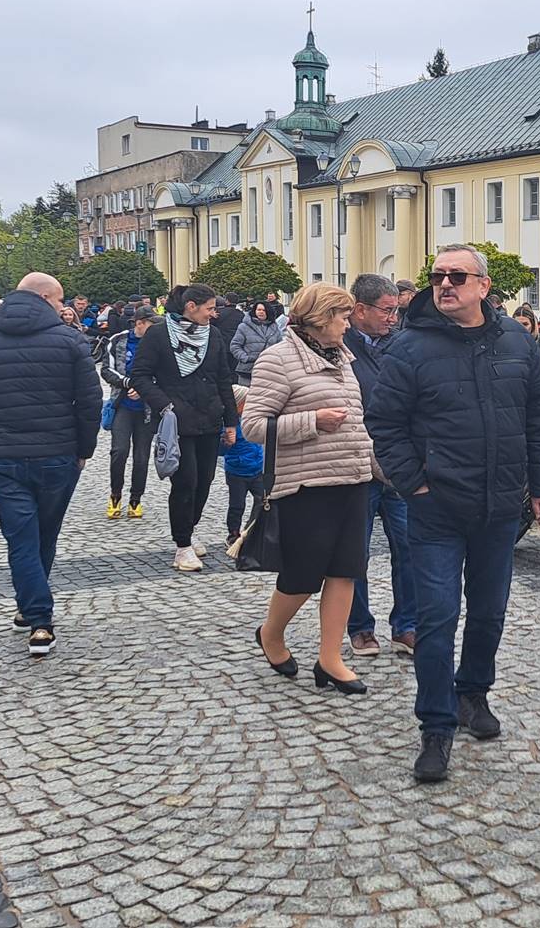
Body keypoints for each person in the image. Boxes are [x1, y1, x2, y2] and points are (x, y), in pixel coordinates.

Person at [366, 244, 540, 783]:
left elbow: (538, 418)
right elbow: (384, 423)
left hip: (500, 506)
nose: (445, 284)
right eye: (437, 276)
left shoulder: (517, 340)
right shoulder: (410, 347)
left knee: (490, 611)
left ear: (483, 286)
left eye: (457, 276)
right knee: (437, 617)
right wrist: (415, 483)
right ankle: (436, 724)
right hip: (437, 510)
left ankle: (473, 693)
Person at [0, 272, 102, 656]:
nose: (62, 306)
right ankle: (40, 620)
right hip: (57, 454)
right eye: (59, 300)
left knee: (21, 538)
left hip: (3, 457)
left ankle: (29, 607)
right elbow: (90, 402)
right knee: (44, 534)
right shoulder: (69, 341)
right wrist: (84, 449)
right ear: (44, 298)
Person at [246, 283, 375, 695]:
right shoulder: (278, 360)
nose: (348, 324)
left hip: (353, 480)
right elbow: (254, 426)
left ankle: (330, 658)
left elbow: (357, 423)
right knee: (302, 576)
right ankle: (271, 633)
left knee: (346, 570)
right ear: (321, 318)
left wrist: (381, 469)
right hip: (306, 485)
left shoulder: (343, 357)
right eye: (342, 316)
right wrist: (312, 421)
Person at [131, 284, 239, 572]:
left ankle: (189, 529)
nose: (213, 314)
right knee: (185, 482)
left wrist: (231, 421)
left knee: (204, 482)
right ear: (191, 306)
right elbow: (140, 375)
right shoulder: (158, 334)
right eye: (209, 309)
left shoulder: (213, 335)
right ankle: (182, 545)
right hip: (177, 422)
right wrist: (165, 405)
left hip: (209, 418)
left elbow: (224, 379)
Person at [345, 275, 415, 658]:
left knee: (409, 545)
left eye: (396, 311)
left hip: (398, 463)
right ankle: (360, 627)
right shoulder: (339, 345)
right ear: (360, 310)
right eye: (387, 311)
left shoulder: (401, 343)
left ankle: (406, 625)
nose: (393, 318)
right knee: (356, 551)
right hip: (357, 462)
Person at [100, 307, 157, 520]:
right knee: (119, 451)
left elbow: (164, 373)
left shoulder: (157, 343)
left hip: (146, 408)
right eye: (151, 324)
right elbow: (106, 370)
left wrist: (144, 389)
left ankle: (136, 499)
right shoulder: (118, 340)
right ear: (139, 323)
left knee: (141, 457)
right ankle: (115, 494)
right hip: (122, 404)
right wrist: (127, 383)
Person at [222, 385, 265, 547]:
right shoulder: (228, 425)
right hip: (237, 472)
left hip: (257, 468)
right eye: (246, 402)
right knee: (237, 505)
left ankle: (250, 530)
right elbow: (220, 451)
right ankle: (233, 534)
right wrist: (226, 442)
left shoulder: (252, 419)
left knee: (263, 500)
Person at [230, 300, 284, 384]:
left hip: (269, 370)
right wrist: (245, 358)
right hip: (248, 371)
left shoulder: (275, 328)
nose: (261, 312)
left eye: (264, 310)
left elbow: (281, 347)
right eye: (259, 310)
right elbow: (235, 345)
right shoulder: (244, 327)